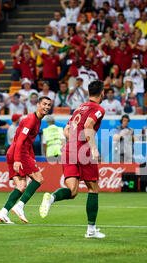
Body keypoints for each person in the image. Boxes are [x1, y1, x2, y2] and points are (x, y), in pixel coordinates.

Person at [39, 80, 106, 239]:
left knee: (72, 191)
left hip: (69, 149)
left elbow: (66, 130)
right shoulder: (98, 109)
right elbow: (89, 125)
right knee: (93, 188)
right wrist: (93, 148)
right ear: (102, 93)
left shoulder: (79, 108)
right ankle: (91, 230)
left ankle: (52, 198)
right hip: (83, 150)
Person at [0, 96, 52, 224]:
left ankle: (3, 212)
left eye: (49, 105)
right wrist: (17, 159)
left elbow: (27, 142)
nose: (47, 107)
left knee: (21, 186)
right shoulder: (31, 120)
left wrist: (31, 158)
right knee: (39, 179)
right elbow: (20, 140)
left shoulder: (37, 120)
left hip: (15, 152)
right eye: (44, 104)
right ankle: (19, 206)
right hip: (19, 153)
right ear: (38, 104)